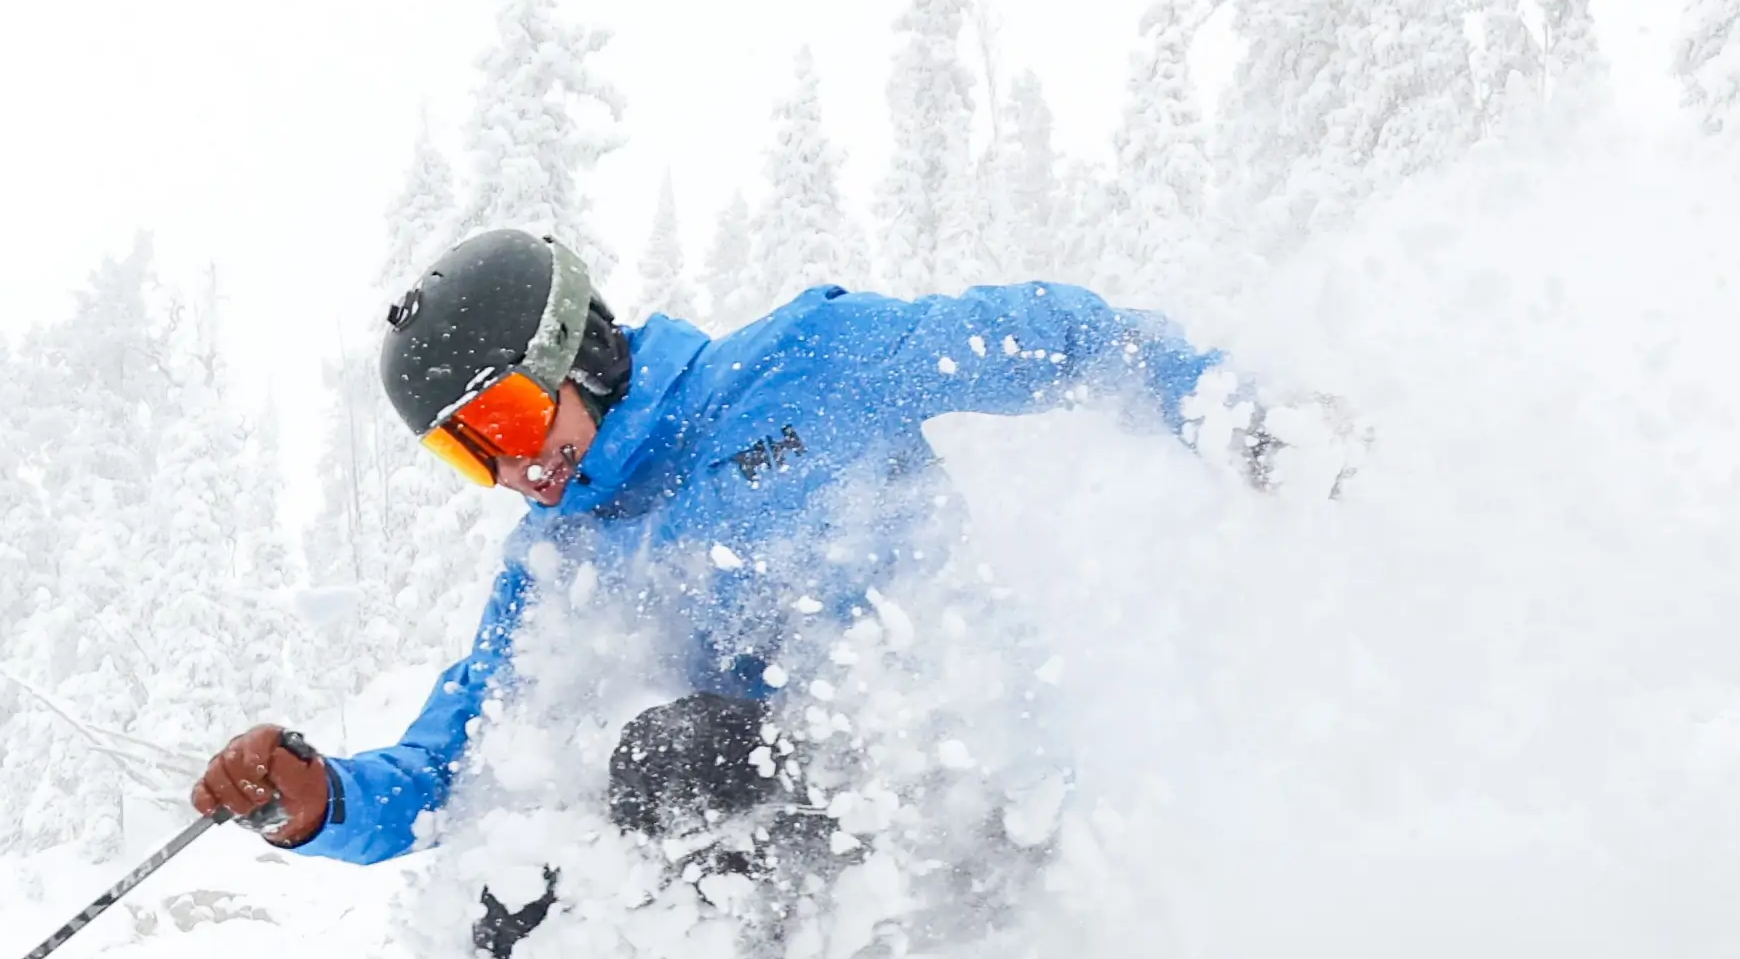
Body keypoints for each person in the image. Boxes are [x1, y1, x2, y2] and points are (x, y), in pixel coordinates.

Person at [191, 228, 1300, 874]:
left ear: (578, 348)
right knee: (525, 852)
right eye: (470, 456)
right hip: (790, 871)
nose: (518, 472)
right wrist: (316, 797)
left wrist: (1226, 409)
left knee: (678, 753)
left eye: (512, 424)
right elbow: (456, 763)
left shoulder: (806, 365)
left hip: (982, 811)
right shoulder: (557, 566)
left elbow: (1054, 339)